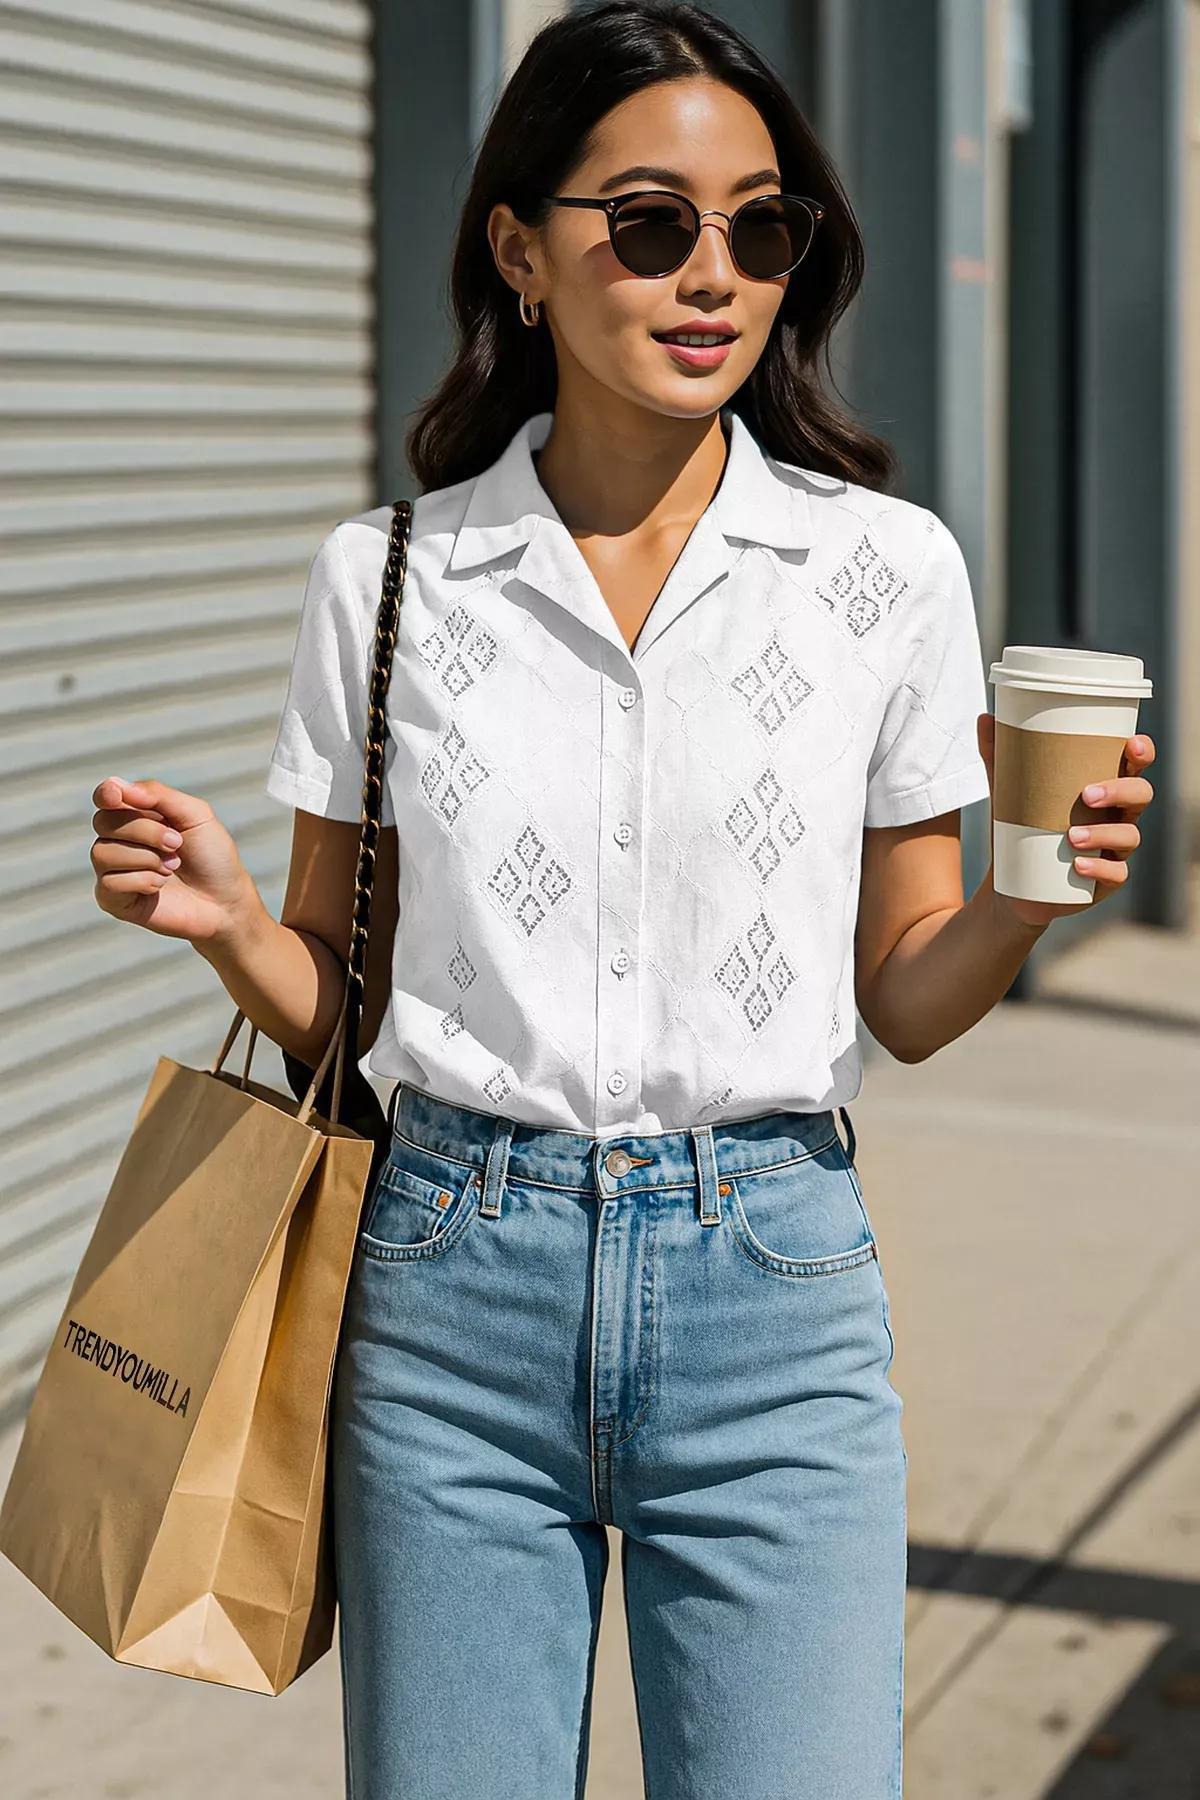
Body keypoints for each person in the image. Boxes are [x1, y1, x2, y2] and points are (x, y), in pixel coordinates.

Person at [89, 4, 1157, 1794]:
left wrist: (1040, 896)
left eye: (763, 227)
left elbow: (901, 988)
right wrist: (223, 921)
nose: (713, 275)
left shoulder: (882, 571)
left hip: (773, 1286)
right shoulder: (390, 574)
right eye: (651, 223)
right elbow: (345, 1005)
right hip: (448, 1306)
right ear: (521, 248)